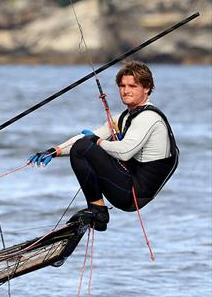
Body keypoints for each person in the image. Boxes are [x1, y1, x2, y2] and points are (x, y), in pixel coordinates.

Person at [28, 60, 179, 231]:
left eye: (132, 86)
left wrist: (96, 141)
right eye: (122, 86)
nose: (126, 91)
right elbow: (89, 136)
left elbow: (124, 152)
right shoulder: (123, 117)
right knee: (82, 146)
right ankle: (96, 210)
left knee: (83, 147)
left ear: (147, 88)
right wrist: (54, 151)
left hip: (135, 194)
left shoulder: (149, 118)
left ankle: (99, 212)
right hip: (127, 185)